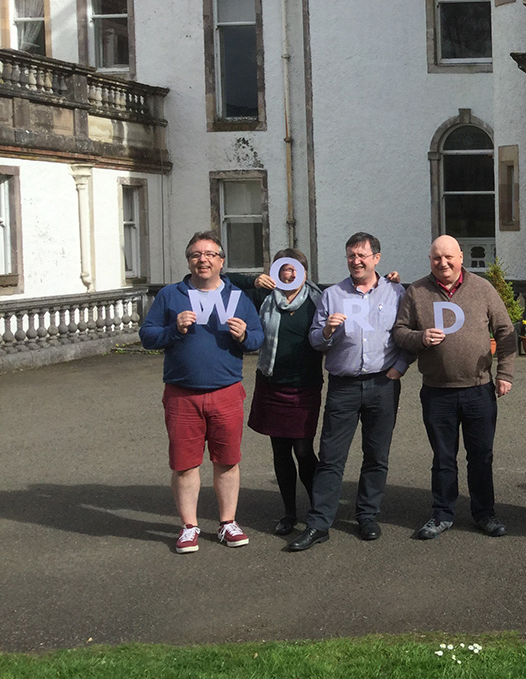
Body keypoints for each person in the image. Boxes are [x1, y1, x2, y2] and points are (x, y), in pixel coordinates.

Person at [139, 231, 264, 554]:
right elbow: (148, 335)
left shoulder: (237, 297)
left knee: (227, 461)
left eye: (210, 254)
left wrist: (244, 336)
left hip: (226, 390)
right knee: (184, 464)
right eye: (196, 254)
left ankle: (227, 523)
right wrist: (173, 329)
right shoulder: (171, 295)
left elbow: (258, 339)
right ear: (189, 260)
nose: (203, 260)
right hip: (182, 393)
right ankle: (189, 527)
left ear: (221, 261)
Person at [286, 232, 413, 552]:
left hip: (383, 383)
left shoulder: (396, 292)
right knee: (331, 458)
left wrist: (400, 367)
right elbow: (315, 339)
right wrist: (327, 330)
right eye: (351, 256)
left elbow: (408, 333)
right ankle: (319, 523)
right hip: (343, 385)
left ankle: (367, 515)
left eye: (362, 255)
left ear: (376, 259)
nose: (356, 261)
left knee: (376, 456)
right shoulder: (332, 294)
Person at [392, 235, 517, 539]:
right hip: (437, 390)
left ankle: (484, 514)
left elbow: (506, 331)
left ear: (461, 257)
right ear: (430, 260)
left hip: (478, 389)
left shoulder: (482, 288)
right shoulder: (417, 291)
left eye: (449, 257)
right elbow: (399, 332)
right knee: (443, 458)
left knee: (481, 456)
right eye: (437, 258)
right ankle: (443, 514)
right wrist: (420, 338)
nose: (443, 263)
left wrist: (506, 374)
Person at [226, 249, 323, 536]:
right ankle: (289, 512)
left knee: (304, 450)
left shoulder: (319, 298)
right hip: (271, 383)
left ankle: (320, 508)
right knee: (280, 451)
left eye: (294, 269)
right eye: (283, 269)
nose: (289, 274)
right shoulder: (264, 297)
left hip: (305, 384)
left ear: (303, 271)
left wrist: (388, 281)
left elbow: (356, 290)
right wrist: (251, 281)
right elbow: (222, 282)